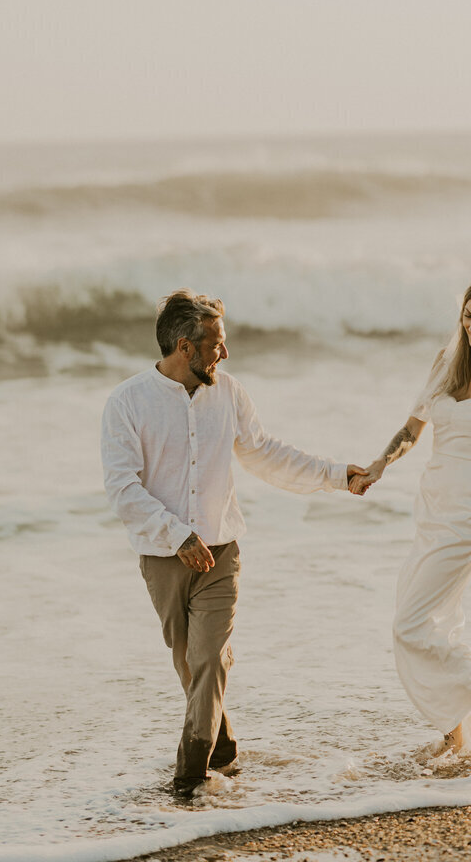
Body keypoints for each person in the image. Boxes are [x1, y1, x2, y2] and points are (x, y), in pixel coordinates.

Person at [101, 288, 367, 799]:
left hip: (221, 551)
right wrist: (177, 535)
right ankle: (224, 750)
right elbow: (123, 488)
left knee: (206, 657)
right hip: (163, 558)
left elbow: (266, 454)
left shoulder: (230, 393)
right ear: (185, 346)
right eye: (216, 343)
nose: (225, 353)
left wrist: (337, 475)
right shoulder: (127, 402)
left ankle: (189, 778)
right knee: (192, 664)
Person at [352, 275, 471, 754]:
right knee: (428, 619)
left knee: (410, 624)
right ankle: (456, 728)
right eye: (466, 315)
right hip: (433, 503)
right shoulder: (447, 362)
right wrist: (380, 463)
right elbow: (412, 430)